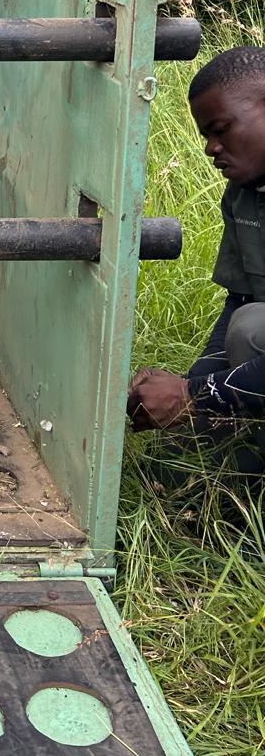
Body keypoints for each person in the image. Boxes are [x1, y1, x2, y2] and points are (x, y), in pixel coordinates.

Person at [128, 47, 265, 479]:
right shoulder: (245, 195)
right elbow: (238, 301)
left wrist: (193, 394)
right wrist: (183, 391)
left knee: (254, 330)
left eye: (221, 129)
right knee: (246, 321)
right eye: (206, 134)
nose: (210, 147)